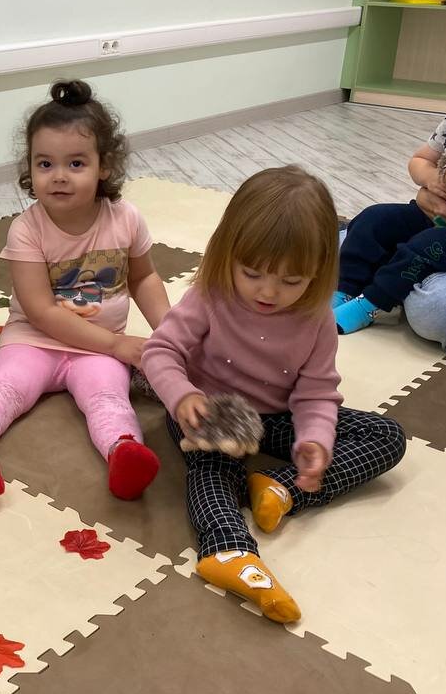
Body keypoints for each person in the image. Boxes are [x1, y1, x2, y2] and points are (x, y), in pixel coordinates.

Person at [143, 166, 406, 624]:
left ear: (318, 272)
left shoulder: (316, 319)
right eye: (253, 273)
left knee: (388, 436)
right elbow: (160, 351)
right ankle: (227, 550)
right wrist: (183, 397)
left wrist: (315, 440)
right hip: (211, 413)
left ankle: (281, 488)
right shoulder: (211, 295)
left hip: (278, 417)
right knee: (212, 469)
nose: (268, 291)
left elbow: (317, 392)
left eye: (291, 281)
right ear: (227, 253)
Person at [0, 81, 170, 500]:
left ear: (104, 166)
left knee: (108, 397)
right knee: (9, 385)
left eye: (76, 163)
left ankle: (123, 452)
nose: (59, 176)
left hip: (98, 348)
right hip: (36, 340)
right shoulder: (27, 229)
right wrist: (117, 346)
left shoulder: (126, 219)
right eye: (45, 164)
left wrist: (170, 333)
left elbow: (144, 278)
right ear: (30, 167)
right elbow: (42, 311)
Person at [335, 19, 446, 334]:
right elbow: (419, 160)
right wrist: (430, 178)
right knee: (373, 219)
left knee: (427, 246)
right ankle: (344, 289)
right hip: (437, 217)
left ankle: (371, 304)